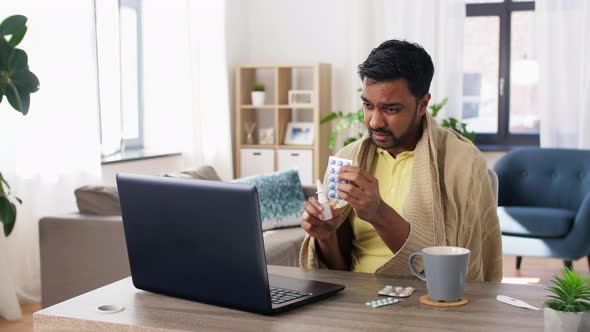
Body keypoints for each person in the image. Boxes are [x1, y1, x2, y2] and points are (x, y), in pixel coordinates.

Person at [299, 39, 502, 282]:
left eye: (391, 109)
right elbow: (337, 271)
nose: (375, 121)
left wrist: (379, 213)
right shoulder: (347, 160)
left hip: (427, 304)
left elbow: (450, 273)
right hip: (356, 304)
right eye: (367, 105)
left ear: (422, 104)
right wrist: (325, 236)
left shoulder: (463, 163)